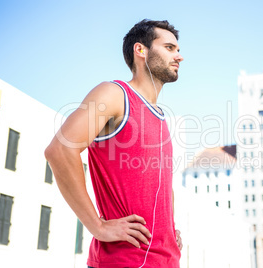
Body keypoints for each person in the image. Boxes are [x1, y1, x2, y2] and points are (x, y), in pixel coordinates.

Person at [44, 19, 184, 268]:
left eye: (178, 49)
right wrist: (97, 226)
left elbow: (162, 186)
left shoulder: (160, 117)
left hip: (166, 261)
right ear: (140, 50)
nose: (179, 56)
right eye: (170, 48)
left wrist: (169, 229)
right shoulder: (114, 94)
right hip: (124, 261)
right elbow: (60, 150)